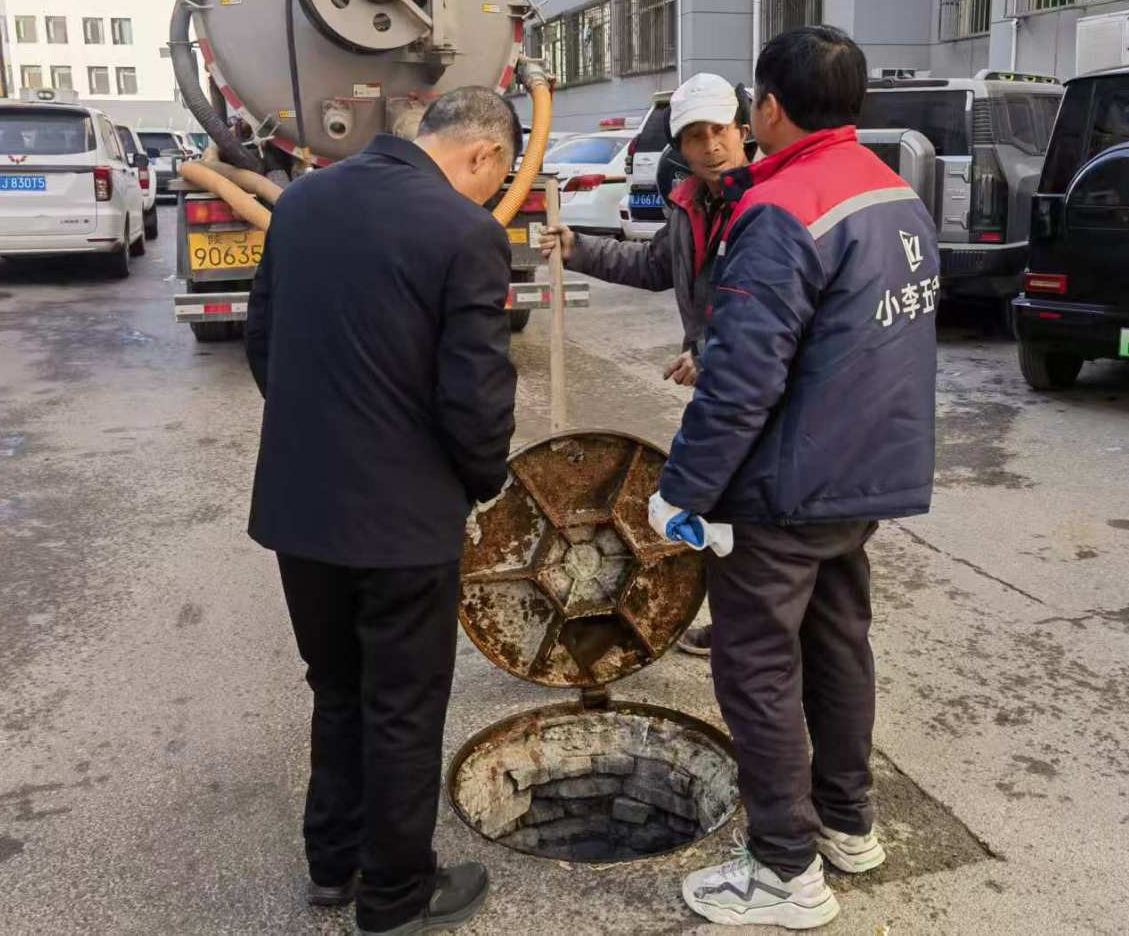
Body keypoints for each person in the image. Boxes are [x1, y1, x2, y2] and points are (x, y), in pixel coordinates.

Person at [655, 27, 940, 930]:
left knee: (757, 670)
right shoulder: (894, 192)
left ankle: (784, 869)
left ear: (769, 108)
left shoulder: (783, 207)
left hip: (785, 489)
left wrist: (683, 491)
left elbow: (741, 378)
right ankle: (848, 824)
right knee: (839, 646)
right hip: (866, 476)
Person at [245, 87, 521, 936]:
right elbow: (474, 396)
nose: (495, 189)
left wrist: (323, 436)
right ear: (481, 153)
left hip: (301, 509)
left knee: (337, 688)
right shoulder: (466, 232)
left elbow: (264, 342)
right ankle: (396, 897)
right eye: (500, 173)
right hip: (403, 524)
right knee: (401, 706)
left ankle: (333, 865)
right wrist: (482, 481)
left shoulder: (302, 203)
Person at [539, 72, 752, 657]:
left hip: (757, 385)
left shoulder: (766, 204)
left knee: (751, 512)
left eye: (720, 130)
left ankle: (754, 635)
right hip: (718, 385)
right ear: (680, 146)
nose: (711, 146)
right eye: (696, 136)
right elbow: (656, 266)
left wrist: (709, 353)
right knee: (718, 506)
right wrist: (577, 248)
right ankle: (736, 624)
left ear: (743, 131)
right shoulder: (689, 204)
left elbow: (769, 308)